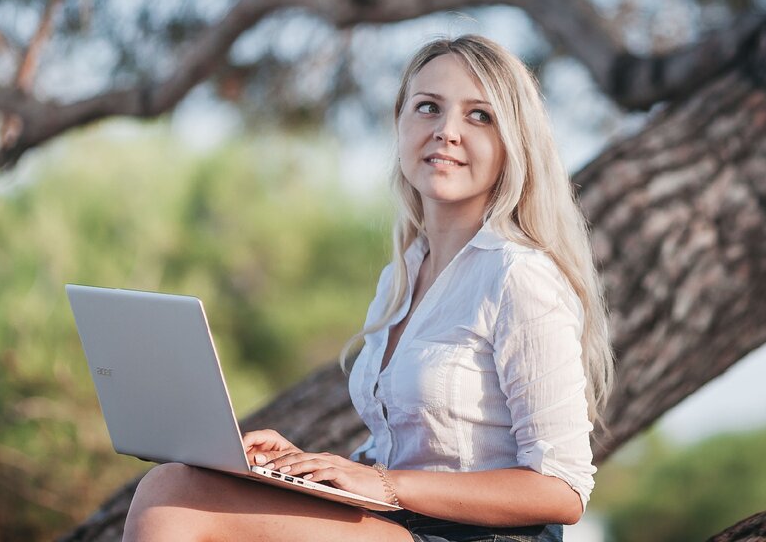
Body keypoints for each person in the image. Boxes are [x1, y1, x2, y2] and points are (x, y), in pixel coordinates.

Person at [124, 34, 614, 542]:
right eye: (428, 108)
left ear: (513, 143)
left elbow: (562, 490)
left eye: (479, 116)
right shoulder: (402, 276)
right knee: (173, 486)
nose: (446, 132)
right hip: (400, 525)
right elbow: (401, 458)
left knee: (172, 500)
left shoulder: (520, 275)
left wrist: (384, 484)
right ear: (401, 124)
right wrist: (303, 467)